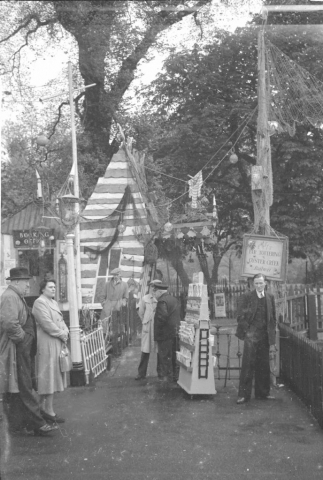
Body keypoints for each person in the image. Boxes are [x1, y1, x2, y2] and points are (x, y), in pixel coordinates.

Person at [0, 268, 56, 436]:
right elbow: (10, 323)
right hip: (16, 348)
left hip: (19, 348)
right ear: (16, 282)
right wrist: (23, 338)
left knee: (19, 386)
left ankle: (22, 424)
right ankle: (37, 423)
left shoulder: (15, 295)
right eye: (25, 281)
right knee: (24, 385)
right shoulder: (10, 297)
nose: (28, 285)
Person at [235, 273, 277, 404]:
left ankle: (263, 393)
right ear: (253, 284)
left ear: (265, 283)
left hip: (264, 335)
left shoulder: (270, 297)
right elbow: (240, 316)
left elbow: (272, 318)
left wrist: (271, 337)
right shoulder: (247, 297)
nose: (259, 285)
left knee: (263, 365)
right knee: (248, 365)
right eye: (256, 283)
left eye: (261, 283)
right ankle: (243, 395)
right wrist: (248, 330)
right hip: (251, 336)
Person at [32, 279, 69, 424]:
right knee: (47, 377)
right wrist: (62, 333)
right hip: (46, 343)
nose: (53, 289)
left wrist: (65, 331)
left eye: (54, 287)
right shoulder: (40, 303)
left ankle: (45, 409)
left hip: (56, 342)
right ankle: (46, 411)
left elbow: (61, 321)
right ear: (42, 289)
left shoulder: (53, 302)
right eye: (50, 287)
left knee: (52, 376)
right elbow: (47, 324)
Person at [153, 283, 181, 384]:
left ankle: (166, 379)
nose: (154, 294)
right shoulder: (174, 299)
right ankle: (175, 377)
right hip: (175, 332)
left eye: (155, 291)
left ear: (159, 291)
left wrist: (158, 331)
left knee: (164, 357)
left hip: (164, 334)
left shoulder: (161, 301)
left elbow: (161, 317)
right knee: (174, 356)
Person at [135, 279, 161, 380]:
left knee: (159, 350)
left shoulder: (161, 299)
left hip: (158, 327)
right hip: (147, 327)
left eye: (155, 287)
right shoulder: (145, 298)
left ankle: (160, 373)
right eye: (151, 286)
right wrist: (145, 321)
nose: (153, 289)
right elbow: (141, 312)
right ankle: (141, 374)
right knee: (145, 350)